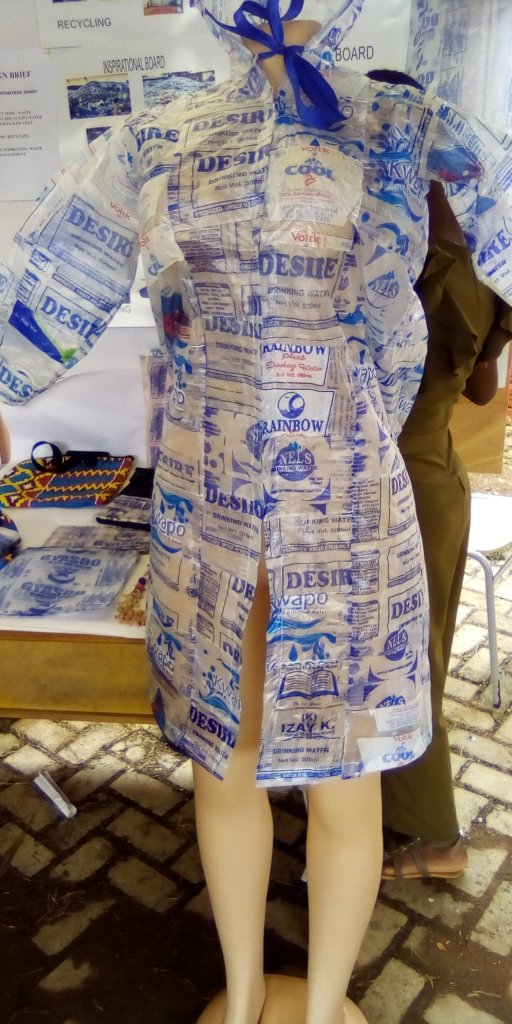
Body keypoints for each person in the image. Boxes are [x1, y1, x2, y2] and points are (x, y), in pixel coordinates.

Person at [2, 3, 512, 1021]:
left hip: (349, 503)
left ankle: (319, 1008)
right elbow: (50, 281)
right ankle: (241, 998)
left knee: (344, 772)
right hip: (207, 504)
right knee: (222, 758)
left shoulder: (401, 123)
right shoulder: (156, 135)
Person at [381, 179, 512, 880]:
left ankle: (435, 840)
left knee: (405, 660)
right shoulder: (481, 252)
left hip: (395, 489)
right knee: (419, 652)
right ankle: (393, 811)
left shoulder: (391, 257)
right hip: (438, 477)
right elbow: (484, 390)